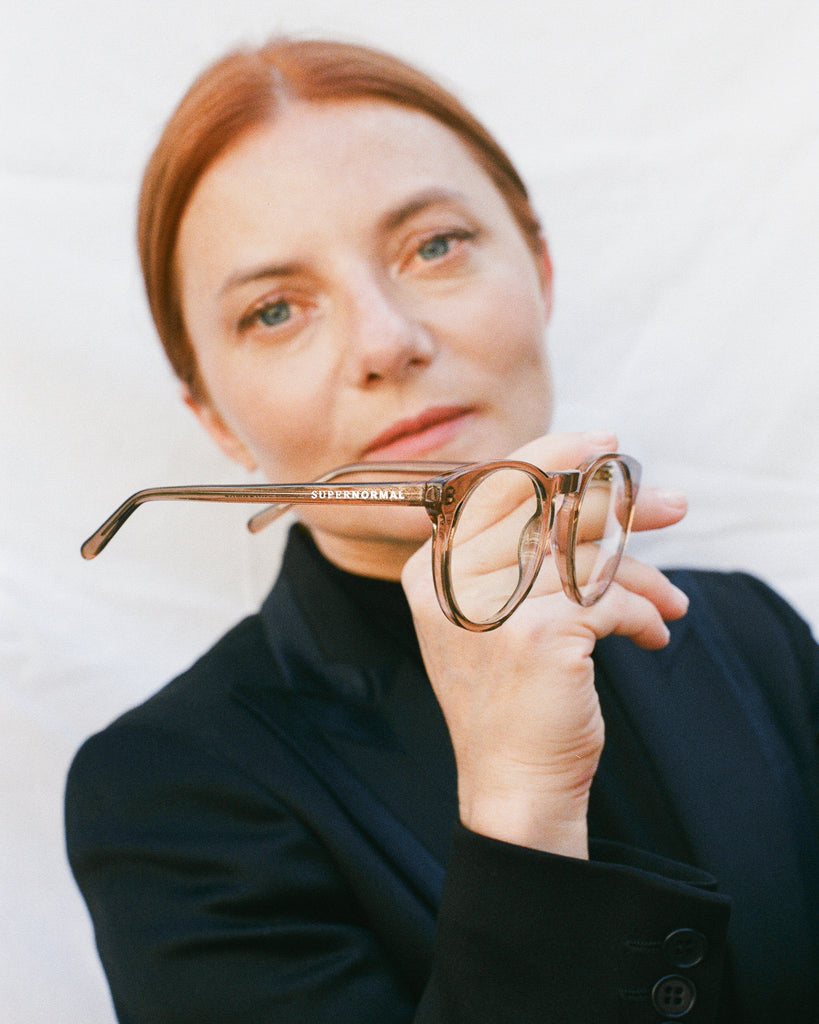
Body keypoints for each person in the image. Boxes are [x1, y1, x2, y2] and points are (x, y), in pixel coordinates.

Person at [64, 37, 819, 1024]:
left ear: (539, 269)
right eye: (278, 309)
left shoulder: (751, 637)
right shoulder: (168, 797)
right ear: (212, 416)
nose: (386, 340)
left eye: (435, 246)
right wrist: (521, 803)